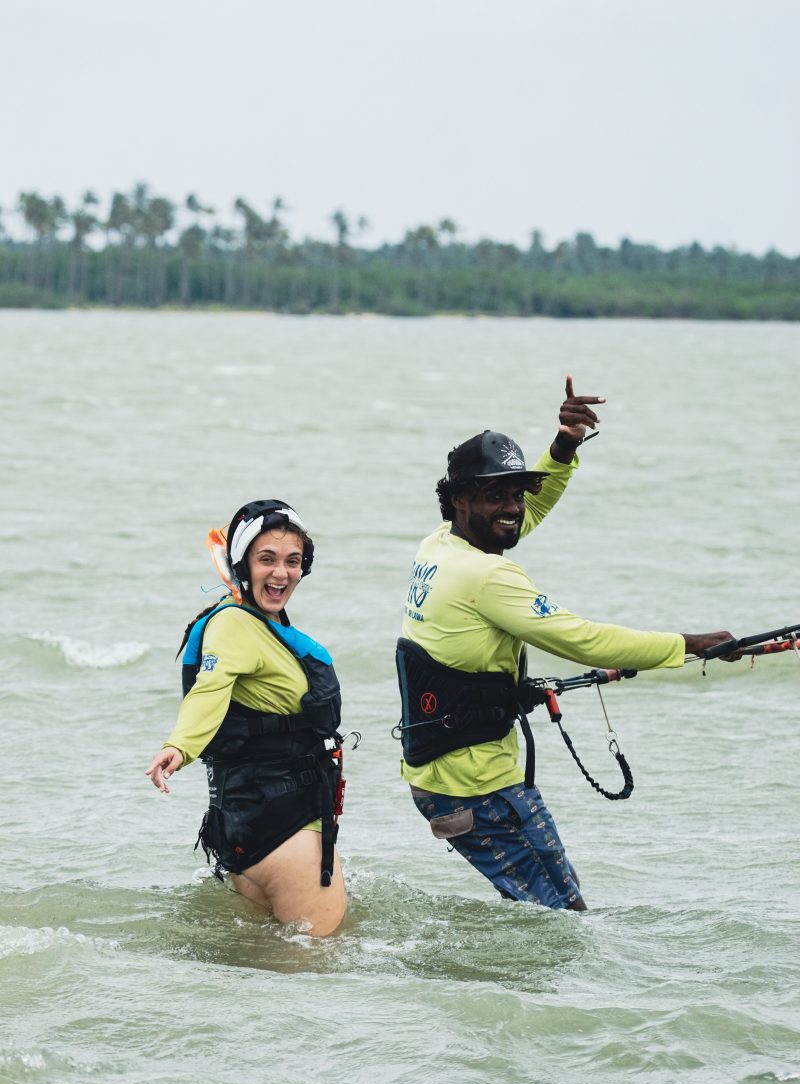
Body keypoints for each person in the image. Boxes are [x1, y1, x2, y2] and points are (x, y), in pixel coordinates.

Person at [395, 378, 734, 912]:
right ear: (460, 499)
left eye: (516, 491)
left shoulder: (439, 545)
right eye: (495, 495)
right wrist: (688, 644)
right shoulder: (485, 577)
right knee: (562, 917)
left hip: (445, 774)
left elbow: (523, 514)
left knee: (547, 910)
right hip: (479, 786)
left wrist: (564, 446)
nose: (512, 507)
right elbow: (585, 639)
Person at [146, 499, 348, 936]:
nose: (281, 573)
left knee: (260, 982)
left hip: (245, 829)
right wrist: (178, 747)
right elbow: (210, 691)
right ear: (241, 563)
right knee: (324, 976)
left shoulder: (252, 622)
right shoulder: (235, 625)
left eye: (293, 561)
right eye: (266, 560)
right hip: (286, 833)